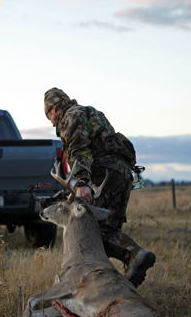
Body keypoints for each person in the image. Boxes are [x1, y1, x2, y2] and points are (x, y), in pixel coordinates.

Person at [44, 87, 155, 288]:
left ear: (53, 109)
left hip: (101, 175)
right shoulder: (91, 112)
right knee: (105, 230)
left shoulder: (70, 117)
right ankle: (126, 266)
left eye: (48, 116)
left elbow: (79, 150)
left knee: (88, 233)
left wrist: (82, 182)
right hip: (121, 174)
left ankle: (128, 258)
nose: (51, 122)